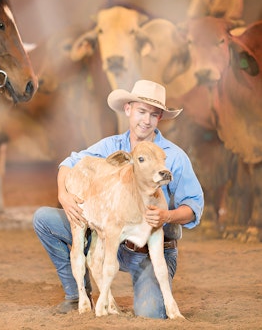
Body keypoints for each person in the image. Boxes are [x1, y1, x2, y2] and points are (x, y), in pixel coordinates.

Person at [33, 79, 204, 319]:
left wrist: (168, 216)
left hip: (149, 251)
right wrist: (63, 194)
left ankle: (150, 289)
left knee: (151, 312)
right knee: (44, 219)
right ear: (128, 110)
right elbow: (70, 162)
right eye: (141, 112)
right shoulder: (113, 147)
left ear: (160, 119)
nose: (146, 120)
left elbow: (194, 206)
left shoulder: (173, 157)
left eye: (153, 115)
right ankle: (76, 295)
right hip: (113, 236)